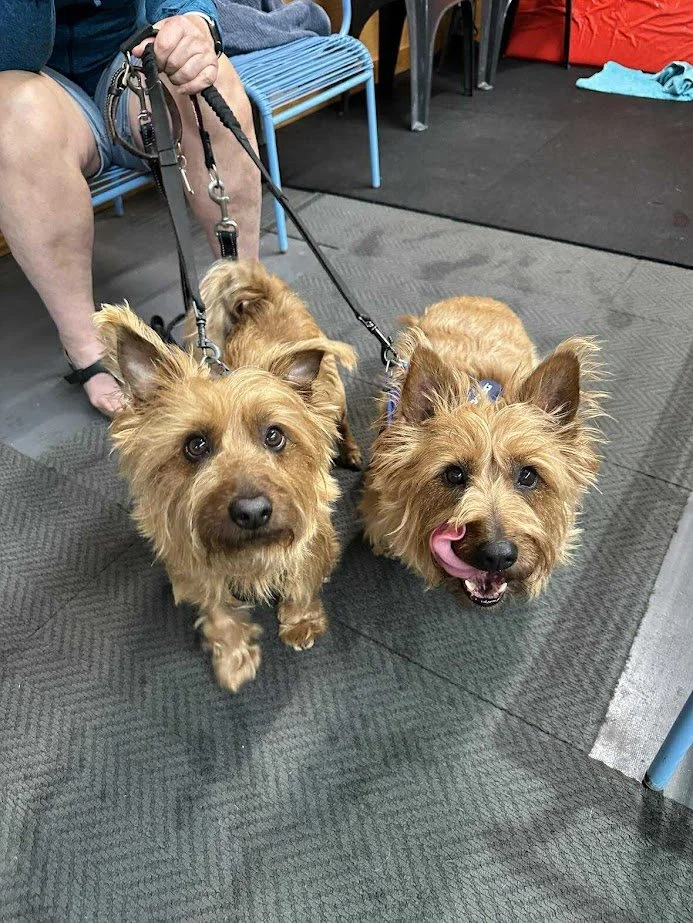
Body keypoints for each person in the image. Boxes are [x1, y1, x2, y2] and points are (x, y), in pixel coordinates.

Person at [0, 1, 261, 416]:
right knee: (11, 108)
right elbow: (16, 53)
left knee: (215, 80)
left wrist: (191, 22)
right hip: (35, 81)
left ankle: (245, 307)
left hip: (126, 61)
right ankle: (87, 347)